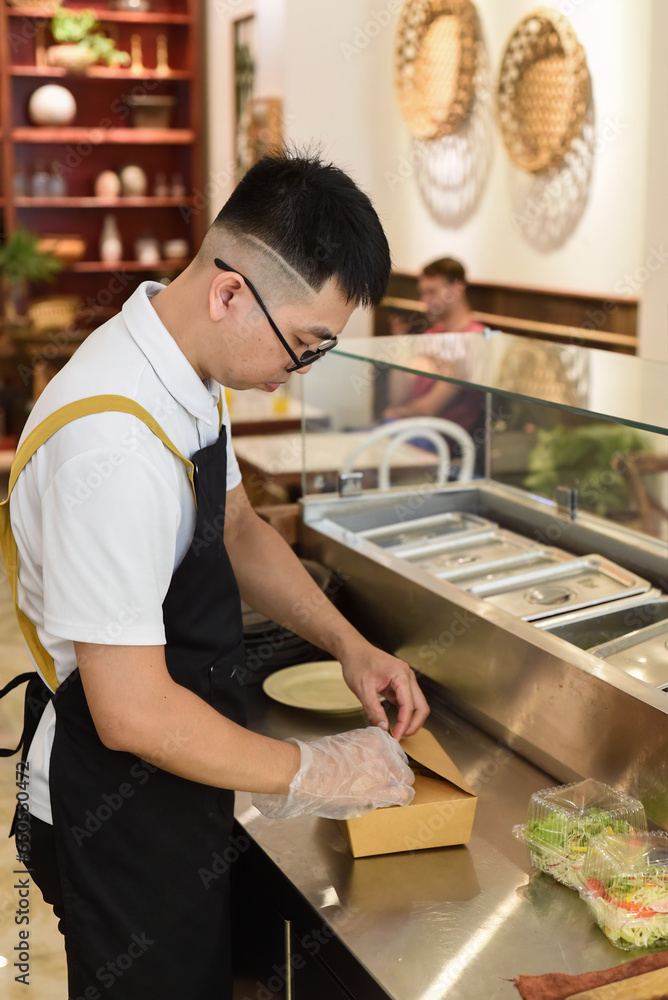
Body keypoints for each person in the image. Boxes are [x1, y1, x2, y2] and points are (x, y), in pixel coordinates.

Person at [0, 150, 429, 1000]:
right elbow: (130, 712)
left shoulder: (186, 362)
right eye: (302, 346)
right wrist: (313, 770)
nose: (296, 373)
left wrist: (349, 644)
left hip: (181, 761)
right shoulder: (112, 447)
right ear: (231, 293)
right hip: (113, 797)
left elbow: (236, 528)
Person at [383, 256, 487, 475]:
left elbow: (429, 408)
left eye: (432, 292)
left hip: (441, 441)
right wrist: (400, 346)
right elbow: (397, 397)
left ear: (457, 288)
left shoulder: (476, 338)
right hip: (410, 429)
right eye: (423, 293)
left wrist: (398, 412)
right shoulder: (432, 335)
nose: (425, 300)